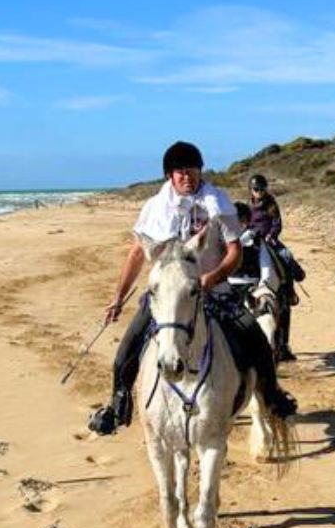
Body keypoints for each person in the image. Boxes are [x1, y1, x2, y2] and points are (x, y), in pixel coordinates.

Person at [89, 142, 296, 435]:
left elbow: (234, 249)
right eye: (180, 171)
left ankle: (272, 395)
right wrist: (119, 297)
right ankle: (117, 403)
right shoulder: (154, 207)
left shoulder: (218, 202)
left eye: (192, 170)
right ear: (170, 175)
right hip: (167, 296)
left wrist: (215, 275)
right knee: (127, 349)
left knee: (255, 337)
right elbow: (137, 254)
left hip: (213, 291)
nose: (187, 176)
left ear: (200, 172)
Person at [248, 174, 299, 361]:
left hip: (269, 240)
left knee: (286, 257)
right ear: (251, 190)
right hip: (252, 241)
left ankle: (289, 289)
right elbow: (245, 223)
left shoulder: (271, 203)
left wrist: (271, 235)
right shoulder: (248, 205)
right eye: (256, 189)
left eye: (261, 189)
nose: (259, 192)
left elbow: (277, 223)